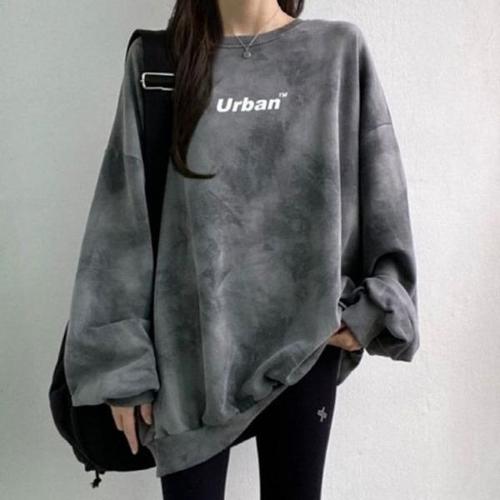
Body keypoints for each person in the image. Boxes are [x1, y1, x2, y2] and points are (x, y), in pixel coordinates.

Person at [63, 1, 420, 498]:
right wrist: (120, 366)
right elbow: (122, 218)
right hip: (189, 365)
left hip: (304, 352)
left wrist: (375, 310)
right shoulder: (159, 61)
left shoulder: (337, 50)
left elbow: (384, 192)